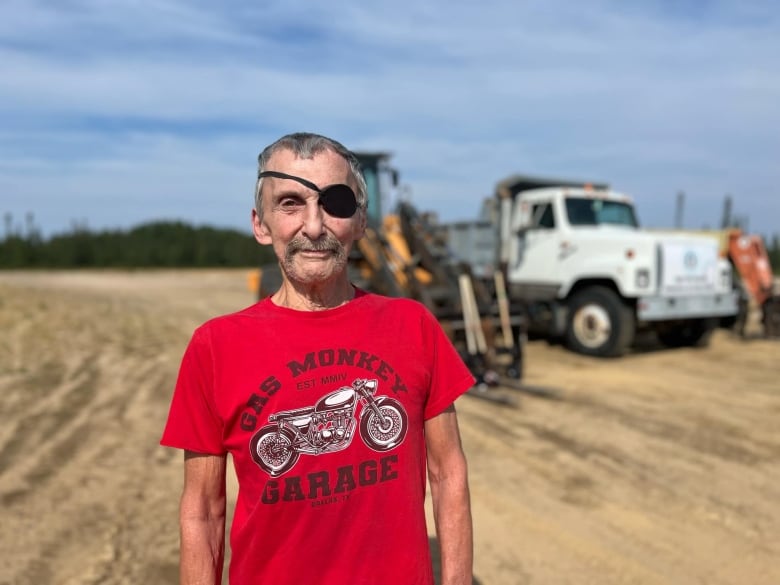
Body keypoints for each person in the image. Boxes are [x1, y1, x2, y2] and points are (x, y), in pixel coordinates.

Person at [161, 132, 474, 585]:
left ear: (360, 221)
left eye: (334, 203)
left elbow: (448, 475)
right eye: (290, 203)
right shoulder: (214, 346)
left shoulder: (414, 326)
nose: (313, 226)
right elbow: (203, 513)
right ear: (261, 224)